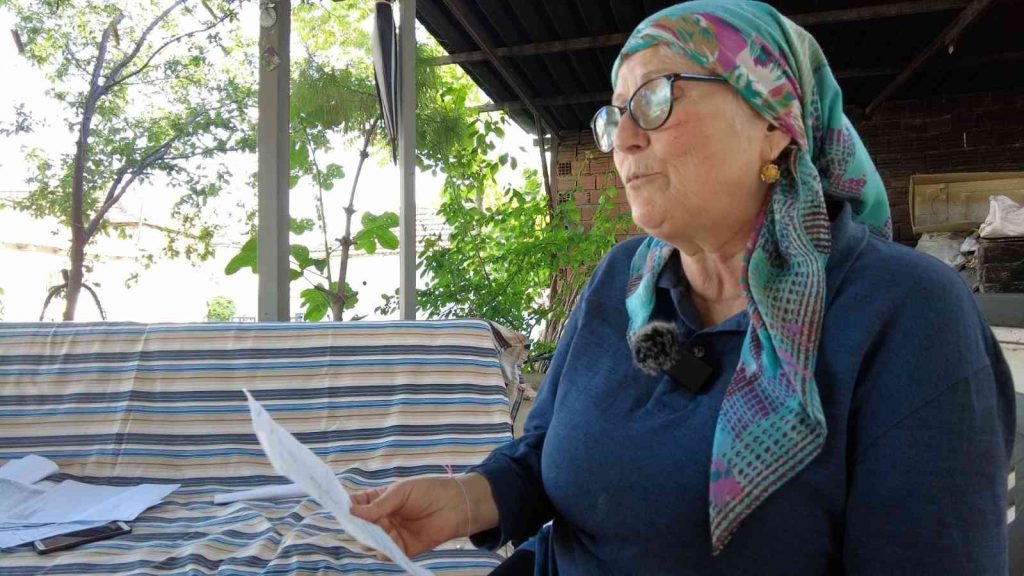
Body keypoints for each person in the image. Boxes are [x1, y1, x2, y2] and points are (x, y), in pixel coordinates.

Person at [351, 1, 1016, 574]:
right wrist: (466, 499)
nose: (623, 140)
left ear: (773, 123)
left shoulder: (905, 314)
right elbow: (544, 451)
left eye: (656, 99)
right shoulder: (623, 280)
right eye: (615, 115)